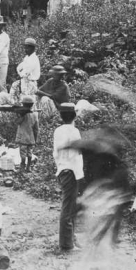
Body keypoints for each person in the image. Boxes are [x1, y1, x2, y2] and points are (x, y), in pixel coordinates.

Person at [53, 102, 83, 251]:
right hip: (71, 171)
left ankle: (71, 238)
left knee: (70, 207)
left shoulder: (58, 131)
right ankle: (66, 244)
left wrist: (59, 166)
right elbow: (75, 155)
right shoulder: (74, 132)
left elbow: (56, 153)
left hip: (62, 170)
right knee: (68, 208)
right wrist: (80, 176)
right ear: (74, 116)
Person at [15, 96, 38, 172]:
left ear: (23, 105)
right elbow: (36, 129)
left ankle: (22, 166)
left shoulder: (23, 114)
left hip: (23, 138)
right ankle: (28, 167)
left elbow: (17, 122)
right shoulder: (34, 114)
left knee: (23, 153)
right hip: (31, 138)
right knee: (29, 152)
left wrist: (19, 116)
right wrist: (35, 138)